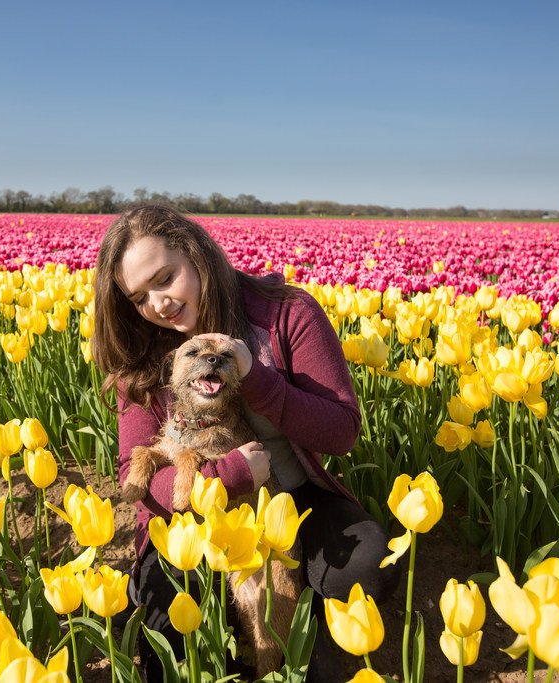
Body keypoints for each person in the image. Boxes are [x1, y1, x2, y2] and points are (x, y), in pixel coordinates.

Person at [92, 203, 399, 681]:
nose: (158, 303)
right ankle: (242, 622)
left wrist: (256, 377)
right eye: (138, 297)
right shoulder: (144, 350)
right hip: (188, 515)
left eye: (166, 277)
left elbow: (342, 431)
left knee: (363, 566)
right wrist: (229, 474)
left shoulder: (285, 314)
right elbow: (135, 476)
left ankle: (299, 618)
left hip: (290, 501)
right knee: (170, 633)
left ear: (197, 256)